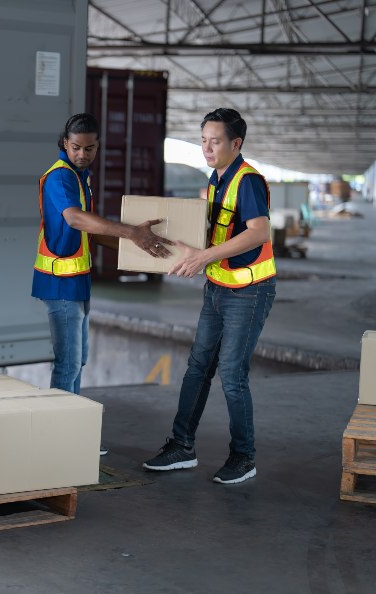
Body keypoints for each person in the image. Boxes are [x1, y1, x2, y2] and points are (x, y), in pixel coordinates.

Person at [143, 108, 276, 484]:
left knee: (232, 375)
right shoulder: (216, 178)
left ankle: (244, 457)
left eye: (215, 141)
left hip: (249, 292)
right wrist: (190, 252)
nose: (207, 148)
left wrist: (203, 257)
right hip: (217, 287)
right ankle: (181, 447)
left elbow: (258, 232)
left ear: (236, 143)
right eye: (203, 140)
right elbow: (221, 231)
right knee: (198, 367)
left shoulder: (247, 180)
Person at [31, 113, 172, 456]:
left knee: (78, 359)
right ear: (65, 143)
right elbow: (75, 219)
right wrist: (132, 233)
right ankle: (61, 439)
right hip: (60, 284)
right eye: (76, 147)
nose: (83, 154)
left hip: (76, 283)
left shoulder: (81, 177)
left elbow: (91, 231)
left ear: (97, 147)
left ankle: (72, 431)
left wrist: (140, 246)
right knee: (68, 362)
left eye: (90, 148)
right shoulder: (60, 178)